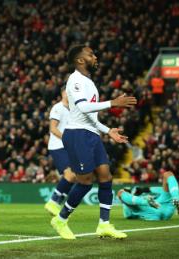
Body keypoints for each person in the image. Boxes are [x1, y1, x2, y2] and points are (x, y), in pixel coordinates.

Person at [51, 45, 137, 240]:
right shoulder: (75, 80)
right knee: (85, 182)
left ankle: (104, 225)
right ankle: (61, 219)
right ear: (80, 60)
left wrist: (108, 131)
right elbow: (82, 107)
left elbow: (90, 116)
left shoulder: (89, 82)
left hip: (91, 134)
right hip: (76, 135)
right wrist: (112, 103)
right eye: (91, 54)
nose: (95, 57)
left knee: (105, 176)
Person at [44, 87, 76, 215]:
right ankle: (53, 201)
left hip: (68, 147)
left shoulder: (73, 110)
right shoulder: (58, 108)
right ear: (63, 93)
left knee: (75, 176)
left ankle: (57, 202)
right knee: (69, 174)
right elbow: (53, 128)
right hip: (57, 146)